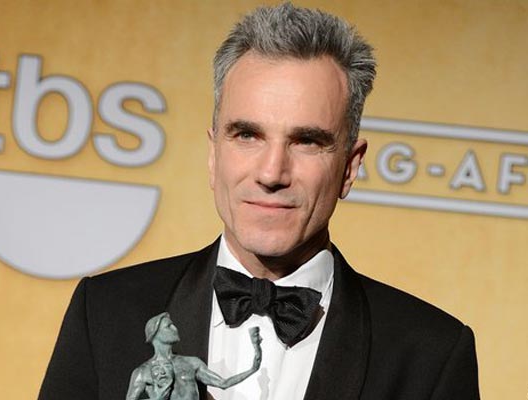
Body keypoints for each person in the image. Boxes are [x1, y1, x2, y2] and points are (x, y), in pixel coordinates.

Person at [39, 3, 480, 400]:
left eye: (307, 141)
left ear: (349, 167)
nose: (271, 173)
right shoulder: (105, 313)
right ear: (214, 155)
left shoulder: (431, 355)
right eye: (247, 135)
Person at [125, 313, 262, 400]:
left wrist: (253, 368)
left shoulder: (192, 363)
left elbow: (223, 383)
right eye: (169, 326)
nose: (175, 328)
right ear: (155, 334)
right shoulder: (142, 372)